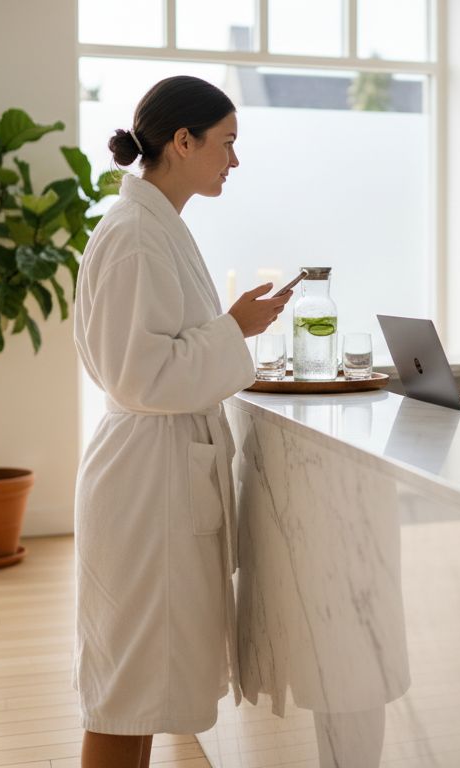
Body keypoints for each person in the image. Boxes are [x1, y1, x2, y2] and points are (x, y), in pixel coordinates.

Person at [72, 75, 291, 768]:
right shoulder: (137, 235)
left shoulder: (154, 226)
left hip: (158, 472)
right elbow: (140, 375)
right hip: (146, 483)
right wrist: (236, 327)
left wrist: (232, 329)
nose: (234, 160)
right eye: (226, 143)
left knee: (137, 684)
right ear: (183, 140)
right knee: (126, 688)